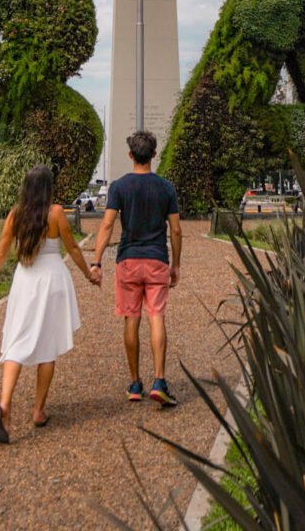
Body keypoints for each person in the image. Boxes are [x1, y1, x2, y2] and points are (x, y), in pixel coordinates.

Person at [0, 165, 100, 444]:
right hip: (51, 281)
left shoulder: (15, 215)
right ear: (48, 187)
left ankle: (5, 405)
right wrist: (88, 275)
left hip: (24, 281)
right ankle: (37, 411)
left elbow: (1, 252)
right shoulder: (56, 213)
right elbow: (72, 248)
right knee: (47, 346)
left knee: (16, 341)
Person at [91, 130, 182, 406]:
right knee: (156, 317)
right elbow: (176, 230)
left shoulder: (119, 187)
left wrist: (96, 262)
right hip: (156, 259)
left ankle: (134, 383)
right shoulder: (166, 188)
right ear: (154, 155)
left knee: (132, 319)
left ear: (131, 155)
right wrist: (176, 264)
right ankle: (159, 380)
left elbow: (107, 225)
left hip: (128, 260)